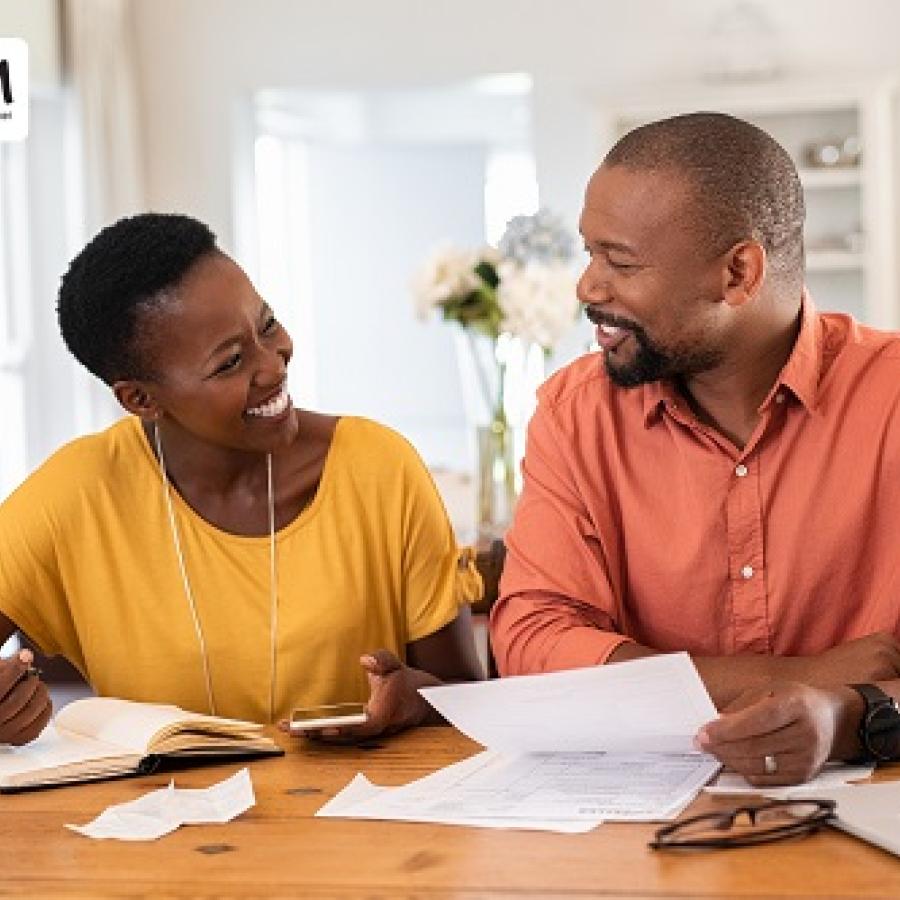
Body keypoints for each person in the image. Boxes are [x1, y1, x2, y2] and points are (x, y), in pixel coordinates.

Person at [491, 112, 900, 786]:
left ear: (739, 272)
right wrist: (792, 679)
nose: (588, 287)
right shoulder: (574, 413)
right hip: (639, 827)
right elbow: (533, 643)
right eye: (589, 252)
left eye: (619, 261)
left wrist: (847, 715)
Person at [0, 213, 483, 746]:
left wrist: (410, 700)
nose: (273, 364)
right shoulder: (77, 494)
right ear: (141, 399)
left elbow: (466, 699)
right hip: (158, 822)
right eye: (230, 361)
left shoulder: (378, 468)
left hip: (361, 820)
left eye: (268, 324)